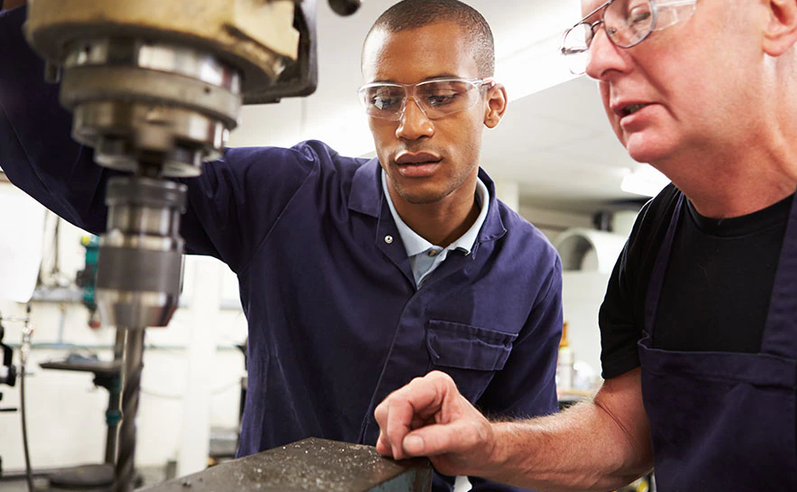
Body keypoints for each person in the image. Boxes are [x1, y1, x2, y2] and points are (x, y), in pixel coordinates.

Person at [0, 1, 564, 490]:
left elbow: (516, 461)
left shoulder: (532, 268)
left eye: (440, 96)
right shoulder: (287, 194)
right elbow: (96, 184)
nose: (410, 125)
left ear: (492, 104)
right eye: (384, 99)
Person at [374, 0, 797, 490]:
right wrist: (487, 446)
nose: (596, 62)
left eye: (639, 15)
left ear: (777, 15)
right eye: (593, 33)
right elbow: (624, 429)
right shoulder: (657, 233)